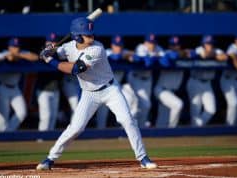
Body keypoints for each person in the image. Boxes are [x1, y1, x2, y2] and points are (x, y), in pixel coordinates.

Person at [37, 17, 157, 170]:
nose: (91, 36)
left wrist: (49, 60)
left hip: (110, 89)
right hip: (89, 93)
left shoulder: (97, 48)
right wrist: (49, 48)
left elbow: (76, 69)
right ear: (77, 36)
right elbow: (55, 51)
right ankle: (50, 159)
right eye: (87, 34)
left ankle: (143, 158)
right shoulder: (67, 47)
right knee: (76, 128)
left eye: (91, 33)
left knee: (128, 120)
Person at [0, 38, 38, 132]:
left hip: (15, 88)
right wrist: (18, 55)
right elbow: (10, 58)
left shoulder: (21, 52)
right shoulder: (4, 53)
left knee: (22, 112)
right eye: (14, 47)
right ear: (9, 47)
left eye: (17, 47)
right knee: (4, 115)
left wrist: (19, 54)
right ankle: (2, 137)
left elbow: (35, 57)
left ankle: (8, 133)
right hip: (2, 87)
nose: (16, 49)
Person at [96, 35, 138, 129]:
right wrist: (126, 56)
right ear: (112, 45)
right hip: (104, 86)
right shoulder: (106, 52)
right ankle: (99, 133)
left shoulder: (124, 52)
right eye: (116, 45)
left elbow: (136, 56)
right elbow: (115, 57)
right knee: (103, 111)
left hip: (117, 86)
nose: (118, 48)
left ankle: (124, 129)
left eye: (120, 46)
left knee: (132, 99)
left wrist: (129, 54)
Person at [187, 35, 228, 127]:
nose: (210, 46)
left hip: (207, 83)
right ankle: (194, 132)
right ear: (203, 44)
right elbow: (204, 55)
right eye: (207, 44)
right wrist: (214, 56)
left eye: (211, 44)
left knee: (211, 109)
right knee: (195, 110)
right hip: (195, 81)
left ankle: (196, 127)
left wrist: (214, 55)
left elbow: (224, 57)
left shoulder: (217, 51)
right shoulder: (198, 49)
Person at [127, 33, 164, 127]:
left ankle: (141, 127)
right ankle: (129, 126)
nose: (152, 45)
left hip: (148, 80)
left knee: (145, 106)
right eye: (149, 42)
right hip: (135, 78)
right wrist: (155, 57)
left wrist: (155, 57)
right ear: (145, 42)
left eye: (153, 43)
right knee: (141, 104)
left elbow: (165, 60)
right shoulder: (141, 47)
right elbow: (147, 62)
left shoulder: (158, 48)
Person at [154, 36, 186, 128]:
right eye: (173, 45)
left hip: (171, 92)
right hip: (161, 90)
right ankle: (172, 129)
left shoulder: (184, 55)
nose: (175, 47)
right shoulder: (166, 53)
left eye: (177, 45)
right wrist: (181, 54)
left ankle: (159, 139)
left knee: (161, 122)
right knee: (178, 104)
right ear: (169, 46)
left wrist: (184, 53)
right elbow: (168, 58)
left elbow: (192, 53)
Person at [36, 33, 62, 131]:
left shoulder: (59, 53)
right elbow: (40, 56)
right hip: (43, 90)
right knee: (45, 117)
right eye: (50, 41)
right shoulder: (42, 51)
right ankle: (41, 139)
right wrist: (47, 50)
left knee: (53, 117)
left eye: (54, 41)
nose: (52, 43)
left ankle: (49, 140)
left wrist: (55, 49)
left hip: (55, 90)